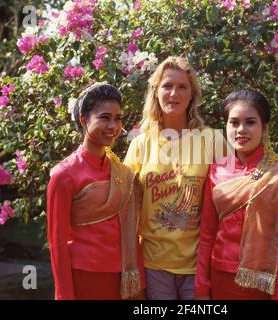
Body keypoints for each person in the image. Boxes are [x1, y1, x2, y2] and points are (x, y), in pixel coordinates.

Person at [195, 88, 278, 300]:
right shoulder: (215, 170)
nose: (241, 130)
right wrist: (202, 288)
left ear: (264, 127)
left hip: (262, 285)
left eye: (250, 122)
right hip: (220, 278)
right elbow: (207, 234)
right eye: (234, 122)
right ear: (226, 126)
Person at [124, 56, 224, 300]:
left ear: (192, 94)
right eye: (167, 86)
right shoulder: (140, 144)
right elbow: (123, 203)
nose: (174, 93)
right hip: (154, 263)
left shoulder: (212, 140)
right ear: (156, 91)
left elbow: (232, 195)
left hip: (199, 263)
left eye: (182, 87)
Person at [47, 83, 145, 300]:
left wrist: (140, 282)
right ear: (84, 120)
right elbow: (57, 244)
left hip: (123, 278)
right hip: (84, 277)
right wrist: (64, 295)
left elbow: (131, 230)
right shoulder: (64, 175)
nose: (113, 125)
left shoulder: (122, 172)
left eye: (118, 118)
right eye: (105, 117)